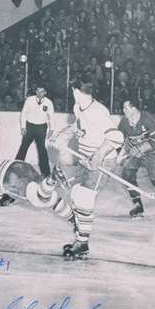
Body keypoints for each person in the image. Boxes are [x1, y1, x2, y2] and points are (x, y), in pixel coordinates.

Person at [50, 80, 124, 258]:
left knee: (83, 197)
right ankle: (80, 237)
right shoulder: (79, 108)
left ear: (75, 90)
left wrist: (98, 154)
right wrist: (65, 134)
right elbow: (79, 127)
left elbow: (117, 136)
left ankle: (83, 244)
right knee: (75, 193)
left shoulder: (97, 112)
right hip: (85, 159)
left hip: (101, 162)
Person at [0, 159, 74, 243]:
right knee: (49, 197)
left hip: (9, 176)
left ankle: (52, 178)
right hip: (21, 165)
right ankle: (73, 218)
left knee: (38, 200)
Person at [116, 99, 155, 217]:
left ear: (134, 109)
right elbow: (118, 140)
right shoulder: (124, 122)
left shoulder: (147, 118)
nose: (123, 110)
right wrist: (118, 154)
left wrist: (141, 149)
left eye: (126, 108)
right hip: (133, 150)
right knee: (127, 176)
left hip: (152, 152)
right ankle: (138, 205)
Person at [15, 84, 54, 176]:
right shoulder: (30, 100)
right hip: (30, 126)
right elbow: (23, 113)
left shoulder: (48, 102)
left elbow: (51, 116)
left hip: (41, 127)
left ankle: (46, 173)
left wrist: (52, 129)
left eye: (41, 92)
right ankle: (15, 168)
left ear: (45, 92)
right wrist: (23, 127)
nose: (39, 94)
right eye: (37, 91)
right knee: (23, 147)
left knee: (42, 150)